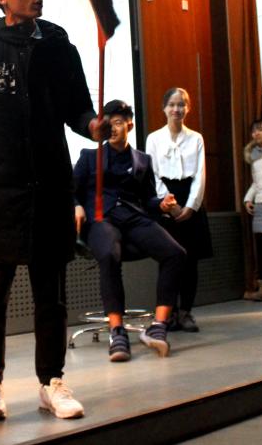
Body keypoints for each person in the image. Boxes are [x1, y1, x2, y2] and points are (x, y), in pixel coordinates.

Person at [0, 0, 107, 421]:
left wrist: (92, 125)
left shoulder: (59, 45)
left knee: (51, 295)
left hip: (50, 187)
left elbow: (77, 108)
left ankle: (51, 382)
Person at [73, 100, 185, 361]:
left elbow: (148, 199)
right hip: (101, 219)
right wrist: (76, 205)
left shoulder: (142, 160)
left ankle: (158, 327)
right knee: (109, 253)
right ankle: (117, 332)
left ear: (130, 126)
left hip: (134, 218)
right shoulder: (89, 156)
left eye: (118, 123)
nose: (112, 128)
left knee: (176, 253)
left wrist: (162, 204)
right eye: (108, 123)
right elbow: (71, 190)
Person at [145, 87, 212, 333]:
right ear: (164, 108)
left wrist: (191, 206)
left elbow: (200, 175)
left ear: (188, 108)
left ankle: (186, 312)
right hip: (165, 199)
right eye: (172, 104)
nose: (177, 109)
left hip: (191, 197)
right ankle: (168, 313)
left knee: (190, 260)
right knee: (169, 259)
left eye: (182, 104)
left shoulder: (196, 138)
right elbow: (152, 174)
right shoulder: (154, 138)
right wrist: (170, 206)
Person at [243, 119, 262, 301]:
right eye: (254, 131)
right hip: (261, 203)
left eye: (261, 130)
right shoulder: (253, 154)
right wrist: (248, 199)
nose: (257, 134)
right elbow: (256, 182)